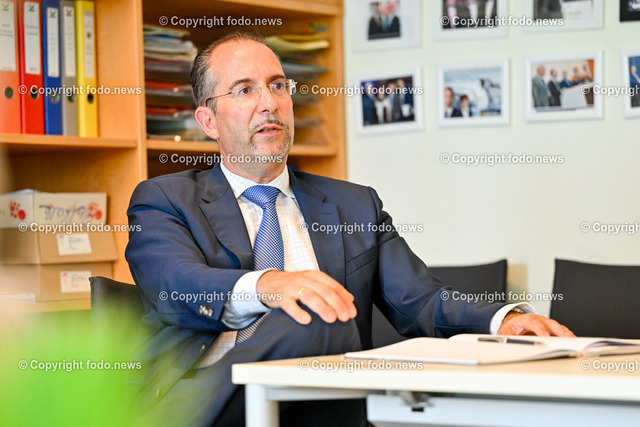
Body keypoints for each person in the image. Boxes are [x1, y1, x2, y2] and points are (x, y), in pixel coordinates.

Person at [126, 31, 574, 426]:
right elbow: (176, 287)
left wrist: (504, 320)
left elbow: (420, 300)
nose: (270, 103)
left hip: (326, 408)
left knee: (326, 322)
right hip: (206, 399)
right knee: (322, 314)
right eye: (245, 90)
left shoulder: (354, 204)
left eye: (278, 85)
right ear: (208, 121)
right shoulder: (164, 199)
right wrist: (270, 285)